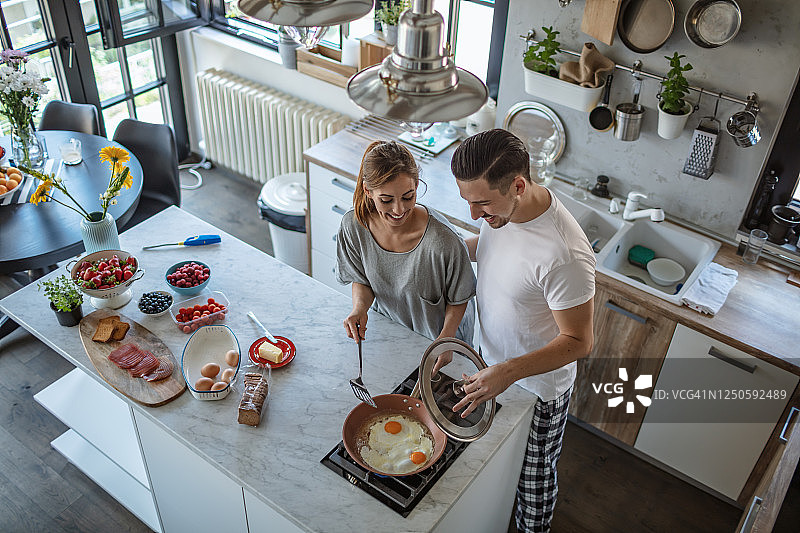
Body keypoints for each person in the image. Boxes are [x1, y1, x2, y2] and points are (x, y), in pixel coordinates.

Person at [446, 129, 596, 533]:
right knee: (491, 464)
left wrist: (508, 371)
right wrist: (449, 251)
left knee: (533, 481)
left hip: (535, 388)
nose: (476, 214)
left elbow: (579, 342)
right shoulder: (505, 209)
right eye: (468, 202)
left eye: (481, 204)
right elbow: (495, 247)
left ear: (517, 185)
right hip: (489, 365)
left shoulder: (563, 254)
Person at [336, 140, 476, 346]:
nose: (399, 209)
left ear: (417, 185)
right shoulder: (354, 226)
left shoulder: (443, 241)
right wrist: (359, 309)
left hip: (440, 342)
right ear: (368, 191)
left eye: (408, 197)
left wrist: (445, 343)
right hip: (389, 334)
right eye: (386, 200)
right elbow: (362, 280)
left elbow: (460, 298)